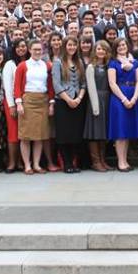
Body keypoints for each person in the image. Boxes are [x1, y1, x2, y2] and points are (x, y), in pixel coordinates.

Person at [14, 39, 56, 175]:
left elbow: (50, 86)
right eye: (35, 49)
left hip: (42, 101)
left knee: (40, 135)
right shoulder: (23, 65)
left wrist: (51, 103)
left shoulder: (47, 66)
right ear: (30, 50)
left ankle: (37, 164)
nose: (38, 52)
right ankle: (27, 165)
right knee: (26, 135)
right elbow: (17, 86)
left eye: (40, 49)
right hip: (28, 101)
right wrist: (19, 103)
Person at [107, 37, 138, 171]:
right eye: (119, 46)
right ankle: (120, 162)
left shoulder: (135, 62)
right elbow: (112, 83)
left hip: (132, 95)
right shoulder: (113, 63)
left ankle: (125, 160)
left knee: (127, 131)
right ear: (115, 48)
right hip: (119, 97)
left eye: (124, 45)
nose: (122, 47)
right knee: (120, 131)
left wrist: (134, 98)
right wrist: (124, 99)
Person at [52, 35, 87, 173]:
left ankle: (73, 162)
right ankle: (66, 164)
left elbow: (83, 83)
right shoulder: (58, 62)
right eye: (69, 45)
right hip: (63, 102)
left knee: (75, 133)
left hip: (78, 101)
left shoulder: (79, 62)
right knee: (64, 134)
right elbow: (56, 84)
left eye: (74, 45)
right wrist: (68, 100)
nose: (71, 47)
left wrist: (78, 99)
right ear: (64, 47)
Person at [84, 40, 113, 171]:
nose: (101, 51)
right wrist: (95, 106)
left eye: (104, 50)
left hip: (107, 100)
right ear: (95, 51)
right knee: (95, 131)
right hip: (96, 100)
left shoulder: (108, 66)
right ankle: (95, 162)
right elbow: (90, 87)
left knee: (104, 132)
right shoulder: (91, 67)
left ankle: (103, 160)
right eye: (99, 49)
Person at [2, 38, 28, 172]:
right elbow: (7, 86)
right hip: (11, 101)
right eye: (18, 47)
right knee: (13, 133)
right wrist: (12, 105)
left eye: (23, 46)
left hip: (28, 101)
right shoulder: (10, 64)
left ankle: (21, 162)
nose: (21, 49)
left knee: (24, 133)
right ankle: (12, 162)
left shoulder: (31, 63)